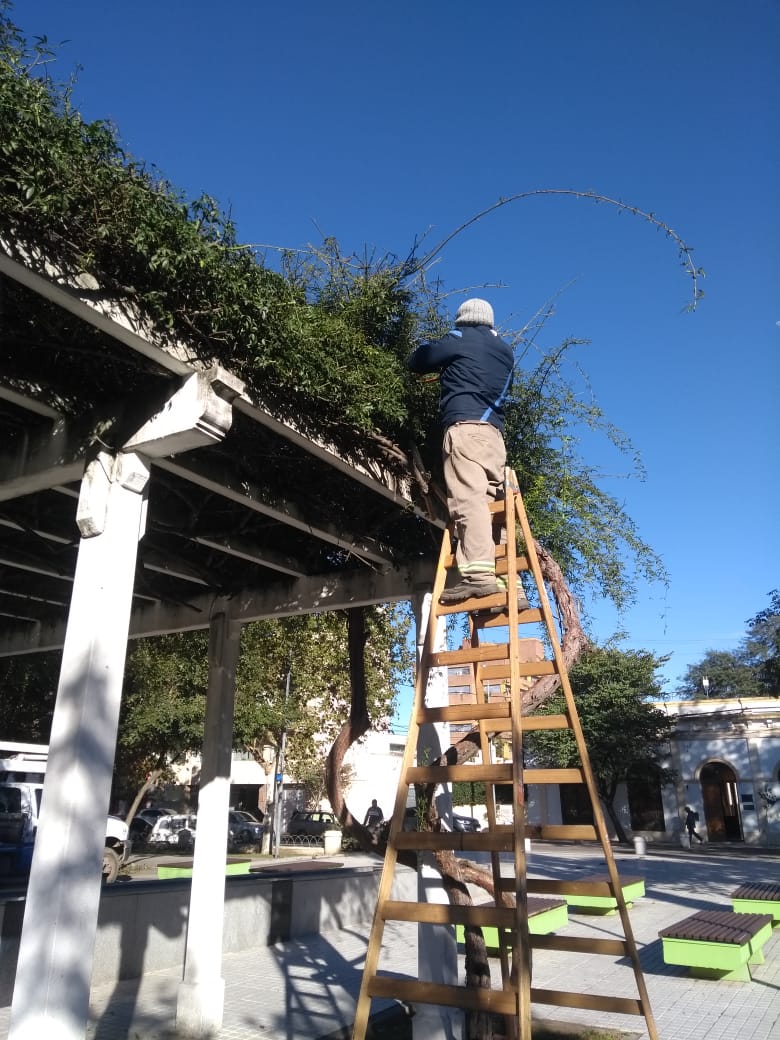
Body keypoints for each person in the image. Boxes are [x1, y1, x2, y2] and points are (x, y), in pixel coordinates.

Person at [408, 298, 529, 607]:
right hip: (494, 437)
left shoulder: (460, 338)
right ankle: (511, 586)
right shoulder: (504, 351)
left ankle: (478, 577)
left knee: (468, 501)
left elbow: (420, 361)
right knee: (492, 507)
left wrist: (429, 350)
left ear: (463, 319)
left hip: (465, 430)